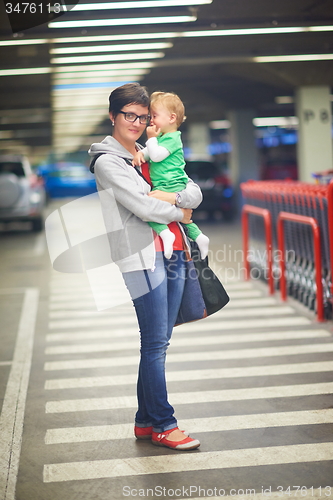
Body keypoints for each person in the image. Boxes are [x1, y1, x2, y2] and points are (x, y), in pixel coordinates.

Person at [88, 83, 202, 451]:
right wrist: (181, 209)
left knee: (158, 342)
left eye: (143, 116)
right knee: (155, 344)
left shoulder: (148, 152)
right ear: (113, 116)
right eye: (129, 115)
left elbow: (191, 187)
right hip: (141, 258)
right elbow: (143, 207)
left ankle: (144, 422)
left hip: (171, 252)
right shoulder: (108, 162)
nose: (137, 123)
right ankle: (165, 424)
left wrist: (180, 200)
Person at [133, 91, 210, 260]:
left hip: (170, 184)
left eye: (155, 115)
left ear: (171, 118)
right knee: (181, 217)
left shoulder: (173, 138)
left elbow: (157, 155)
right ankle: (199, 237)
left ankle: (165, 233)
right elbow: (150, 152)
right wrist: (141, 155)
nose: (151, 120)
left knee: (150, 209)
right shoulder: (162, 138)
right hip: (167, 184)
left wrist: (150, 139)